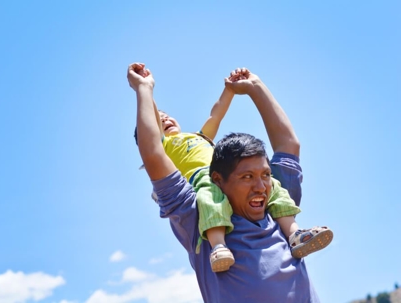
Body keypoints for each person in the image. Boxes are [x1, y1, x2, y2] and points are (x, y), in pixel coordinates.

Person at [128, 62, 326, 302]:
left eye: (264, 175)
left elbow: (288, 146)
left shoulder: (273, 202)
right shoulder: (196, 215)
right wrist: (144, 89)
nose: (260, 186)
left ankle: (296, 234)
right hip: (202, 189)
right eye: (247, 177)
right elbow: (153, 154)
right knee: (209, 200)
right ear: (219, 180)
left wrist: (254, 86)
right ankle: (220, 245)